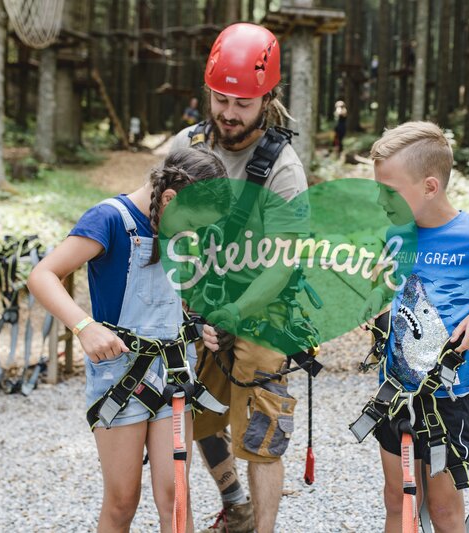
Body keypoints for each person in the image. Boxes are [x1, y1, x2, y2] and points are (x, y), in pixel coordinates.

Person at [27, 148, 230, 533]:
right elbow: (43, 275)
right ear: (169, 198)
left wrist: (196, 322)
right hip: (121, 379)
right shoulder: (108, 219)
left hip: (174, 373)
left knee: (176, 497)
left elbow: (174, 296)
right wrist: (84, 326)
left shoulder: (176, 226)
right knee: (122, 502)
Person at [166, 22, 309, 533]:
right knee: (198, 417)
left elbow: (284, 262)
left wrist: (236, 312)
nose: (229, 112)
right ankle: (236, 507)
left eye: (243, 103)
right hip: (201, 300)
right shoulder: (185, 145)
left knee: (261, 434)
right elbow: (163, 224)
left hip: (262, 308)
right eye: (220, 99)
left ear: (267, 99)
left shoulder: (283, 169)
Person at [360, 121, 469, 533]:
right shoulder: (395, 234)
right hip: (394, 390)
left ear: (430, 187)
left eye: (390, 191)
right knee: (398, 499)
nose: (381, 200)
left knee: (443, 509)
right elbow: (384, 285)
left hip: (448, 397)